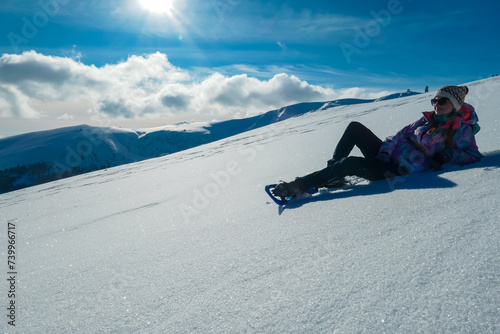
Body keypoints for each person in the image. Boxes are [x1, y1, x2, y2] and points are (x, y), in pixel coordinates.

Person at [271, 85, 483, 200]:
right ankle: (333, 176)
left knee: (350, 163)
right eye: (435, 100)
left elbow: (472, 155)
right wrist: (384, 152)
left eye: (442, 101)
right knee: (355, 127)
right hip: (386, 157)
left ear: (454, 104)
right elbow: (397, 136)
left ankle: (299, 186)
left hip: (398, 170)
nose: (437, 104)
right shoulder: (426, 120)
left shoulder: (460, 129)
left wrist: (447, 155)